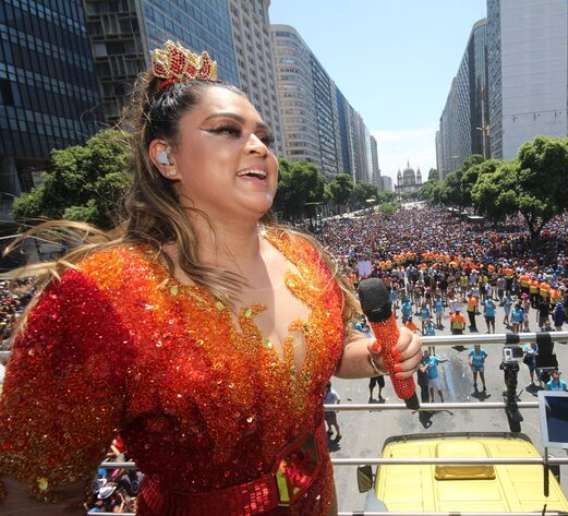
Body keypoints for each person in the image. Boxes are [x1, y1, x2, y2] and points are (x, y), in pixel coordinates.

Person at [0, 42, 422, 515]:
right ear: (166, 158)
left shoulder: (305, 257)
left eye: (265, 136)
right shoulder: (98, 295)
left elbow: (333, 351)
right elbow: (33, 495)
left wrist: (382, 353)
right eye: (227, 130)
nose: (259, 146)